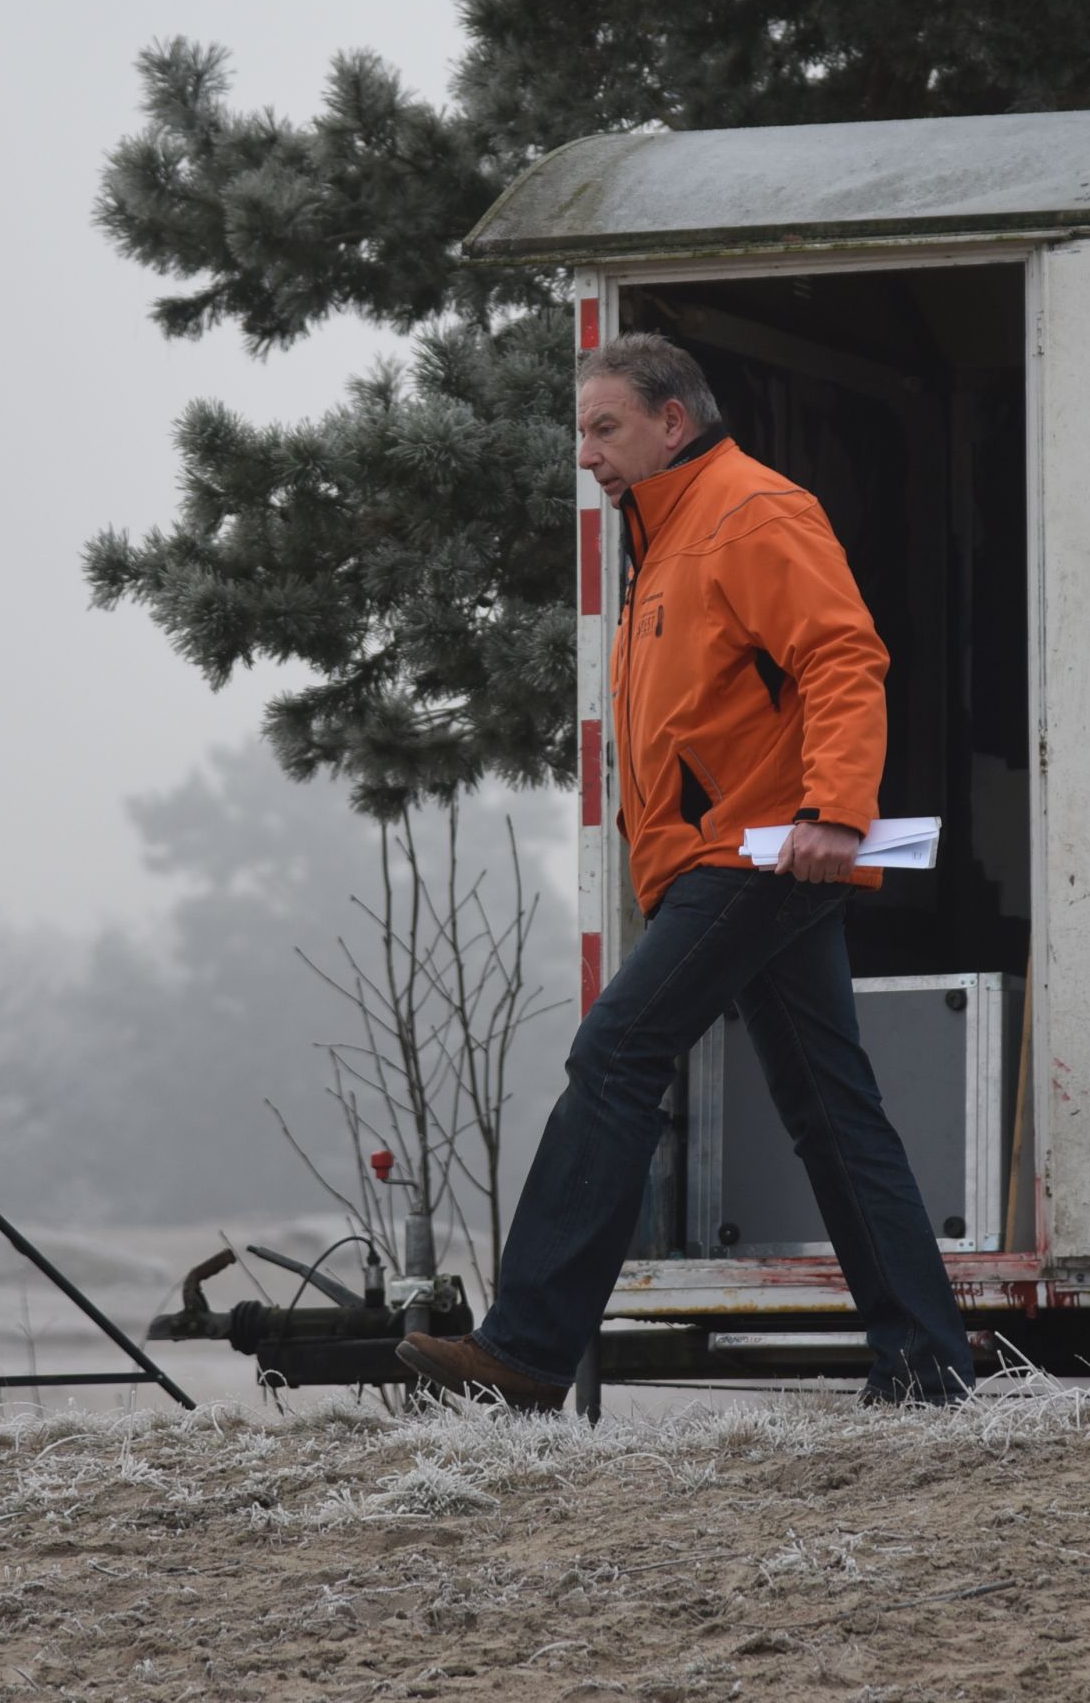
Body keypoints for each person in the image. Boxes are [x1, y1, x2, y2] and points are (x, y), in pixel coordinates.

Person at [398, 332, 977, 1409]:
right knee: (831, 1110)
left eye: (604, 427)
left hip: (757, 850)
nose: (586, 453)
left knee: (616, 1051)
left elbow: (842, 656)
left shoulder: (751, 510)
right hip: (723, 858)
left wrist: (834, 811)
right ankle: (924, 1364)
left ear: (673, 420)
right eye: (580, 433)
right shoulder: (660, 541)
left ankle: (525, 1348)